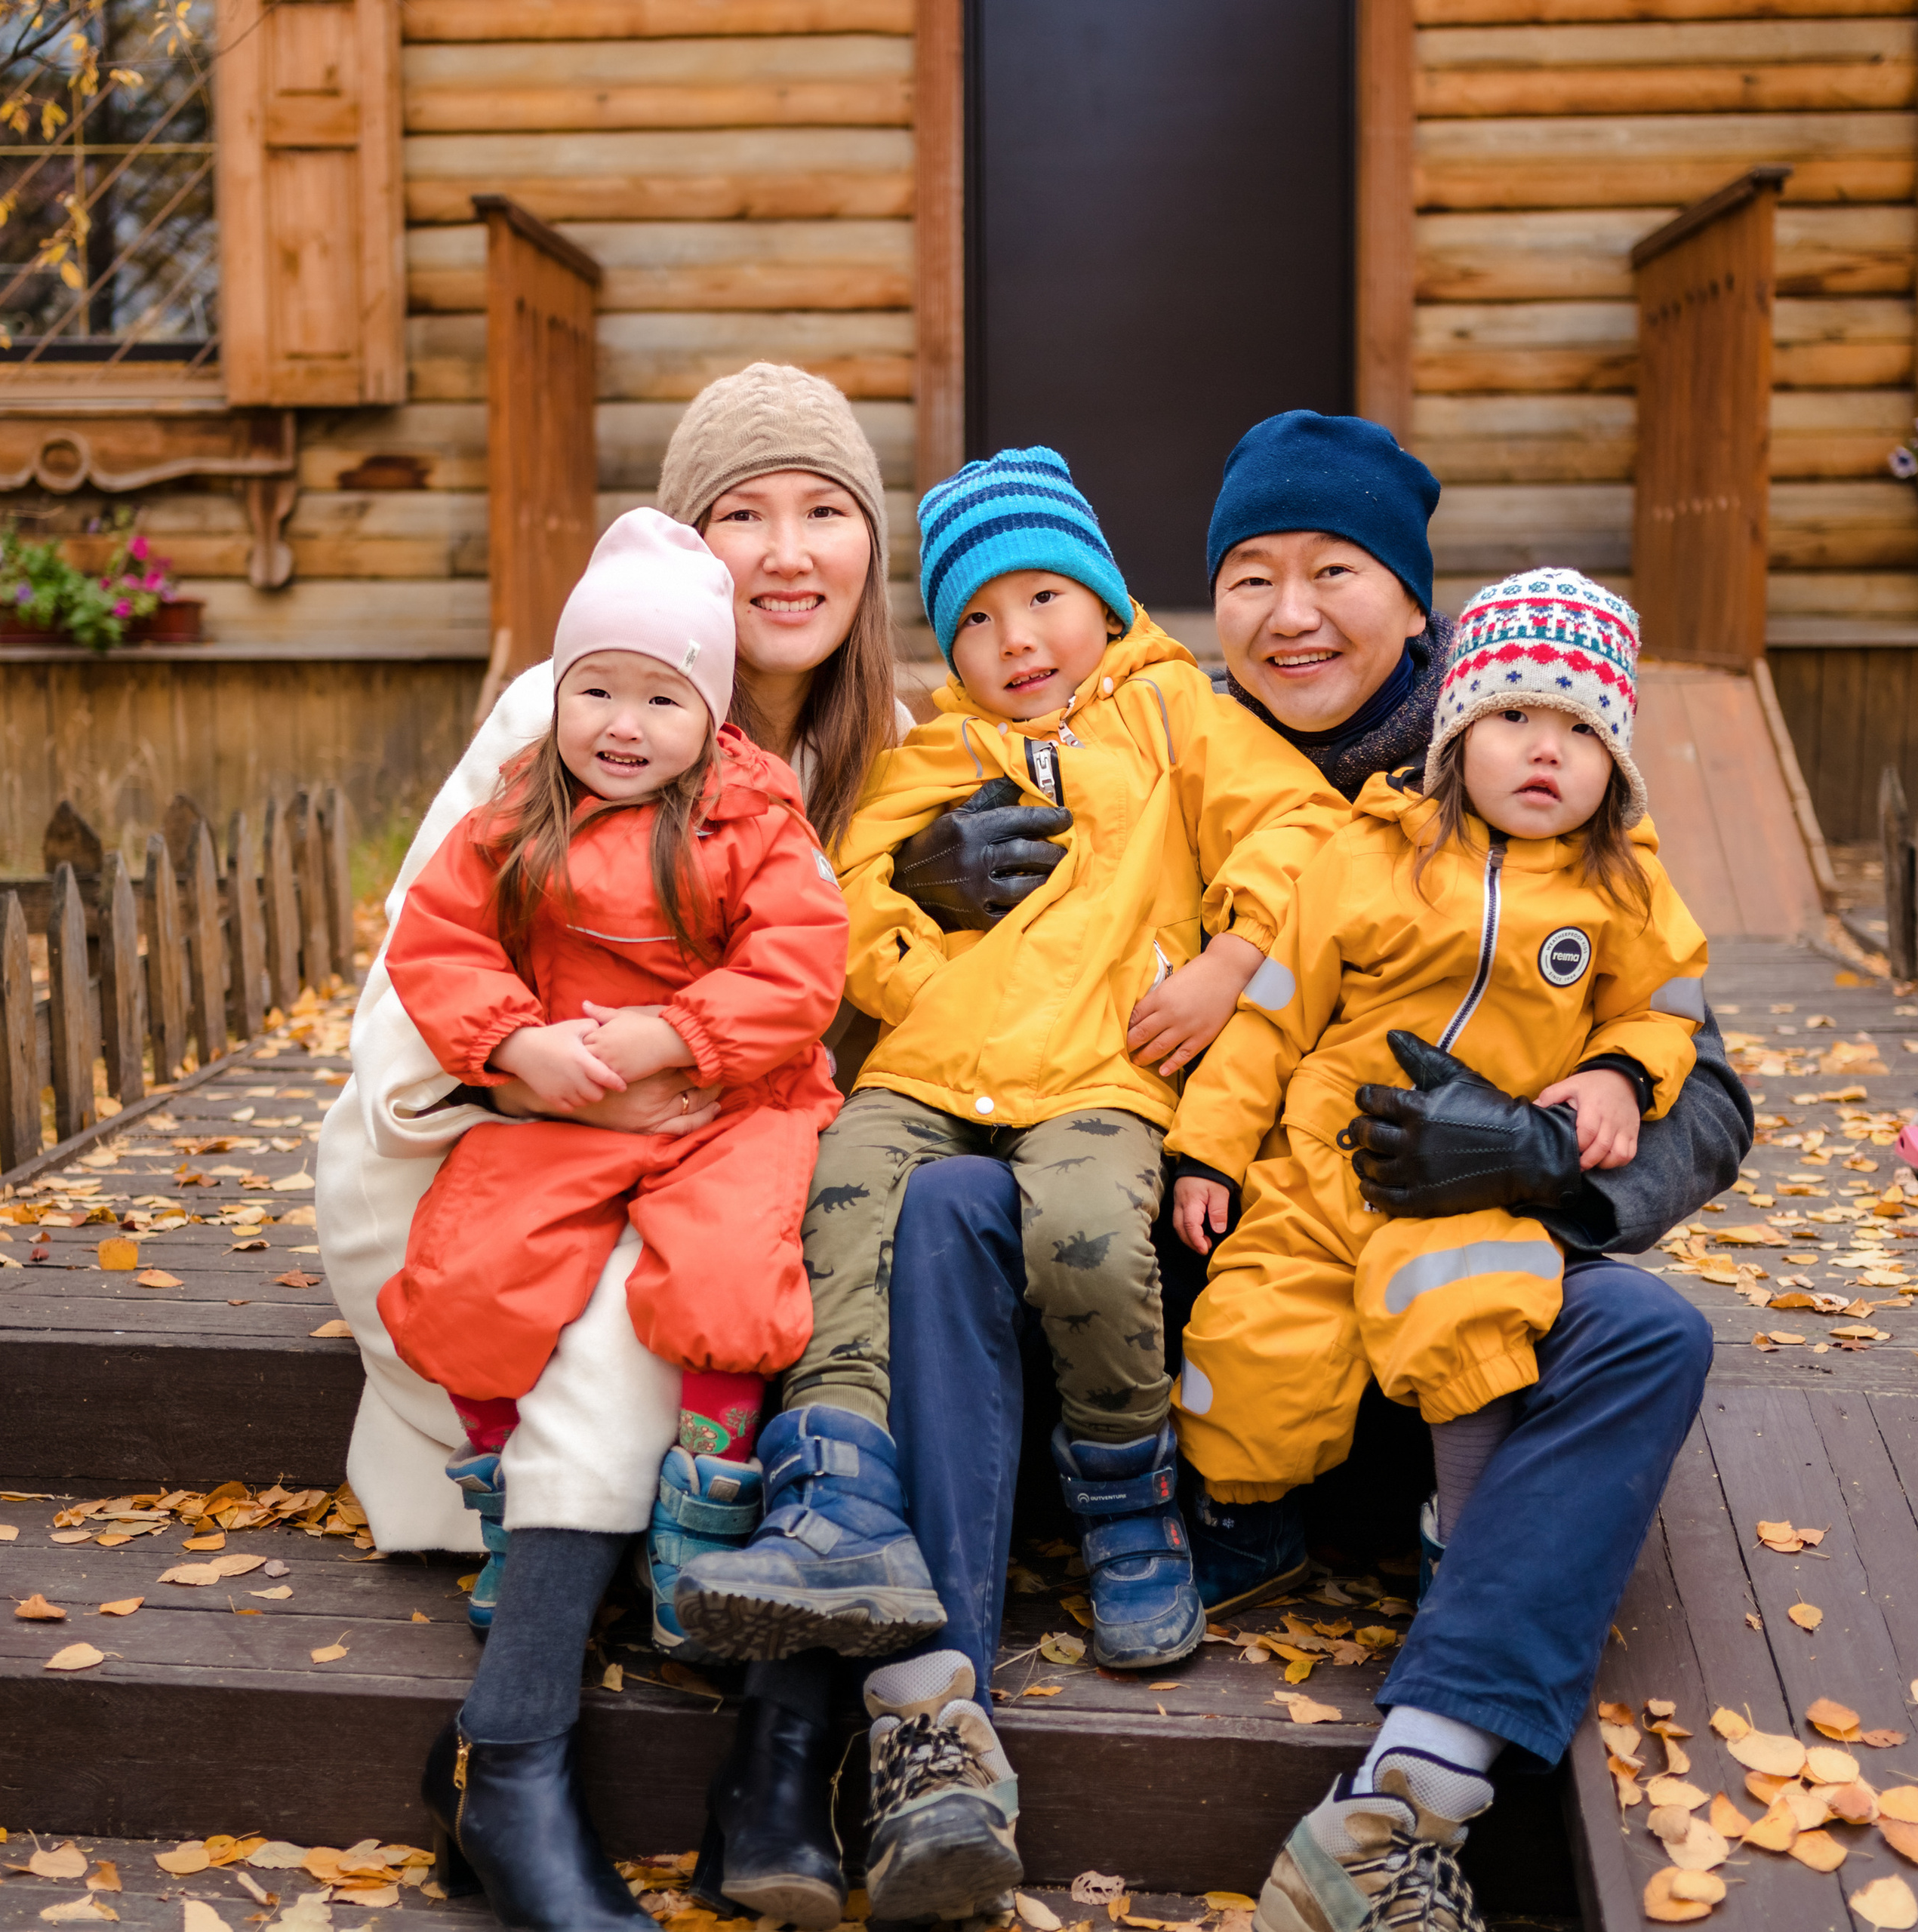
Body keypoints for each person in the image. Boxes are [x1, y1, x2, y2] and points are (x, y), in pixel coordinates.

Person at [764, 412, 1743, 1932]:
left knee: (1651, 1330)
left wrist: (1548, 1148)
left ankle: (1405, 1792)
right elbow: (885, 1003)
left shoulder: (1537, 747)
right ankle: (928, 1721)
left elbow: (1694, 1057)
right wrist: (916, 890)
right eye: (1246, 576)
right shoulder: (1127, 725)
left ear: (1415, 601)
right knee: (954, 1191)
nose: (1287, 614)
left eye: (1332, 570)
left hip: (1426, 1282)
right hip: (1163, 1264)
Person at [317, 364, 927, 1932]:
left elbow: (822, 990)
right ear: (677, 544)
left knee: (831, 1249)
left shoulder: (886, 746)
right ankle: (509, 1757)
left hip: (732, 1153)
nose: (785, 551)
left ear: (870, 544)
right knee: (621, 1325)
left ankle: (782, 1761)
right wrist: (554, 1075)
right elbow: (426, 971)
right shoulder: (573, 709)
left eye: (822, 512)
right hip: (510, 1154)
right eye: (741, 513)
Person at [1169, 566, 1706, 1588]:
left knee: (1468, 1315)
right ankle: (1245, 1526)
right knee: (1251, 1334)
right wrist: (1212, 1150)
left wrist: (1620, 1075)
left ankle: (1461, 1535)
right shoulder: (1370, 855)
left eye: (1584, 729)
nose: (1548, 747)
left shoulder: (1622, 884)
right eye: (1513, 714)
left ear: (1616, 762)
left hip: (1475, 1180)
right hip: (1323, 1171)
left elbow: (1664, 1002)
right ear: (1456, 732)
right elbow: (1273, 1016)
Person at [380, 509, 849, 1668]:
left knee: (730, 1271)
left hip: (728, 1100)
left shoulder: (752, 818)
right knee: (472, 1267)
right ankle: (498, 1492)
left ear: (711, 712)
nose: (623, 727)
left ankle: (705, 1499)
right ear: (558, 692)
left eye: (660, 698)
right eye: (596, 691)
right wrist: (514, 1048)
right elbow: (439, 946)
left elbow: (799, 967)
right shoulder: (515, 813)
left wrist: (676, 1034)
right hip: (566, 1096)